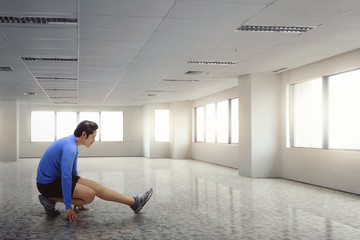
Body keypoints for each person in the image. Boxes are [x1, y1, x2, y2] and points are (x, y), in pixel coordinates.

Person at [36, 120, 153, 222]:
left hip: (57, 178)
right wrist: (68, 206)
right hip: (46, 184)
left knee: (95, 186)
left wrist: (76, 194)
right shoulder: (70, 148)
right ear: (84, 134)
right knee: (89, 196)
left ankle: (133, 202)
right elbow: (66, 176)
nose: (94, 140)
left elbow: (73, 173)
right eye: (93, 136)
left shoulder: (73, 144)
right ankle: (48, 198)